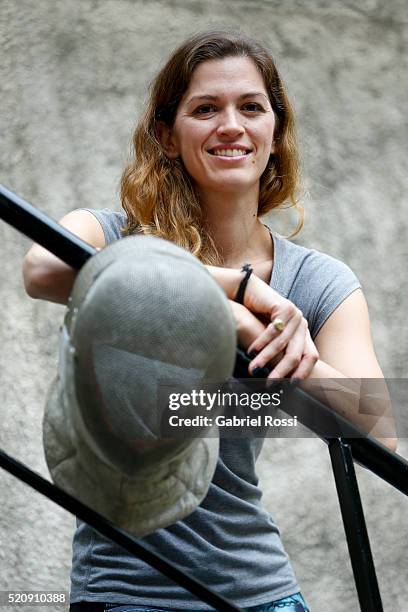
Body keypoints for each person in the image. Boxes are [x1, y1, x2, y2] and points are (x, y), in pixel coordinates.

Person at [22, 29, 396, 612]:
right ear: (168, 137)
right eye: (205, 109)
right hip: (128, 588)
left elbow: (379, 427)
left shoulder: (320, 281)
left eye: (251, 107)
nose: (231, 125)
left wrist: (270, 346)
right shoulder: (109, 233)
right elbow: (41, 270)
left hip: (261, 590)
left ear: (275, 134)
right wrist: (235, 301)